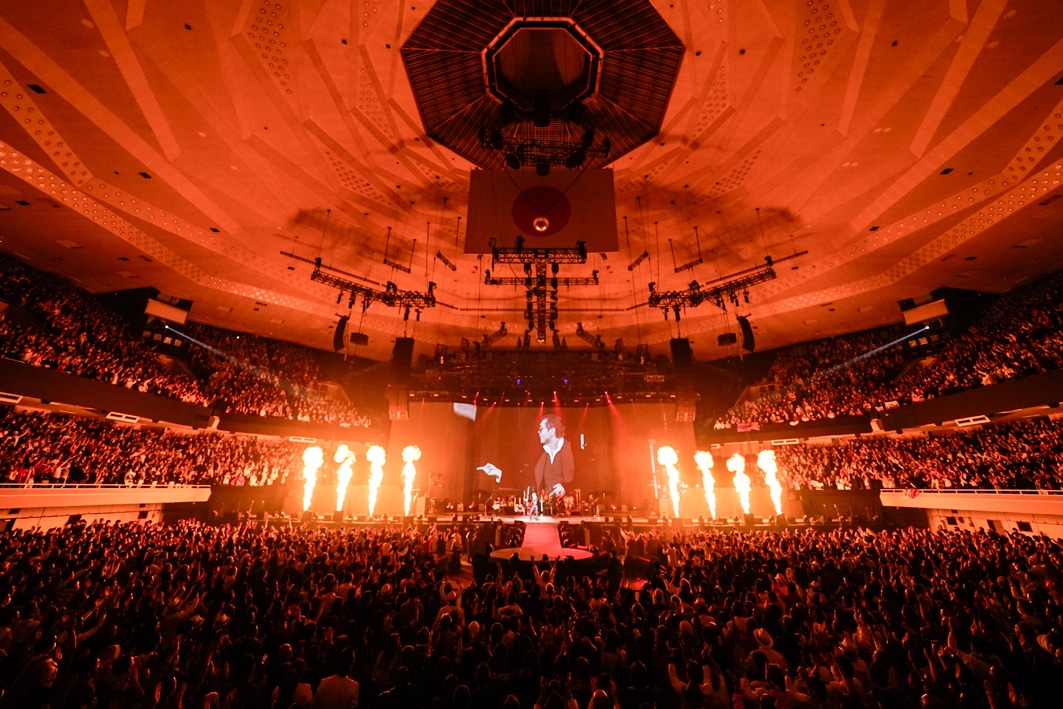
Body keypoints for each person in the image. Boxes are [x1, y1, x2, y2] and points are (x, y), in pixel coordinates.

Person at [477, 414, 574, 498]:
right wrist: (498, 473)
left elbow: (584, 474)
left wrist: (566, 488)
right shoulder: (541, 457)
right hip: (546, 510)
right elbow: (524, 480)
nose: (538, 432)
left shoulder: (572, 448)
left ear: (552, 431)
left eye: (541, 429)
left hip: (572, 511)